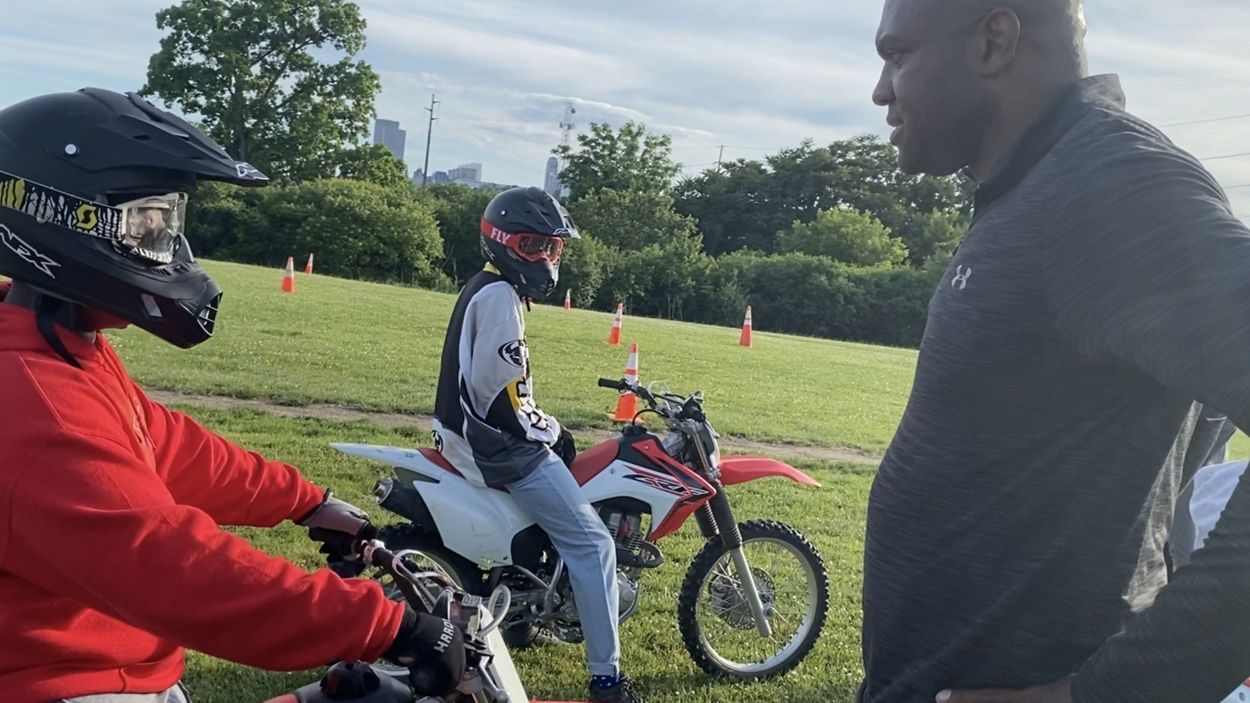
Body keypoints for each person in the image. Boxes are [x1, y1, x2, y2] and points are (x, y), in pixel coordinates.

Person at [0, 88, 464, 703]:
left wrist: (305, 501)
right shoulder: (33, 403)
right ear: (58, 218)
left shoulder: (55, 347)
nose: (168, 244)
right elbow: (170, 567)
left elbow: (164, 443)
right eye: (147, 222)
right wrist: (380, 624)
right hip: (64, 684)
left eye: (170, 221)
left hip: (112, 673)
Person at [863, 0, 1250, 701]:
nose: (881, 91)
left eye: (898, 56)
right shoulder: (1038, 184)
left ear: (993, 42)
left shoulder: (1110, 185)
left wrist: (1103, 694)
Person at [431, 186, 642, 703]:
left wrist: (543, 425)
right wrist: (552, 431)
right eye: (532, 246)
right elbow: (502, 396)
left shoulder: (487, 286)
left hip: (470, 436)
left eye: (552, 247)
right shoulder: (500, 298)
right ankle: (607, 682)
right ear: (502, 242)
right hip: (496, 446)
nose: (545, 258)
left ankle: (526, 619)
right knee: (593, 545)